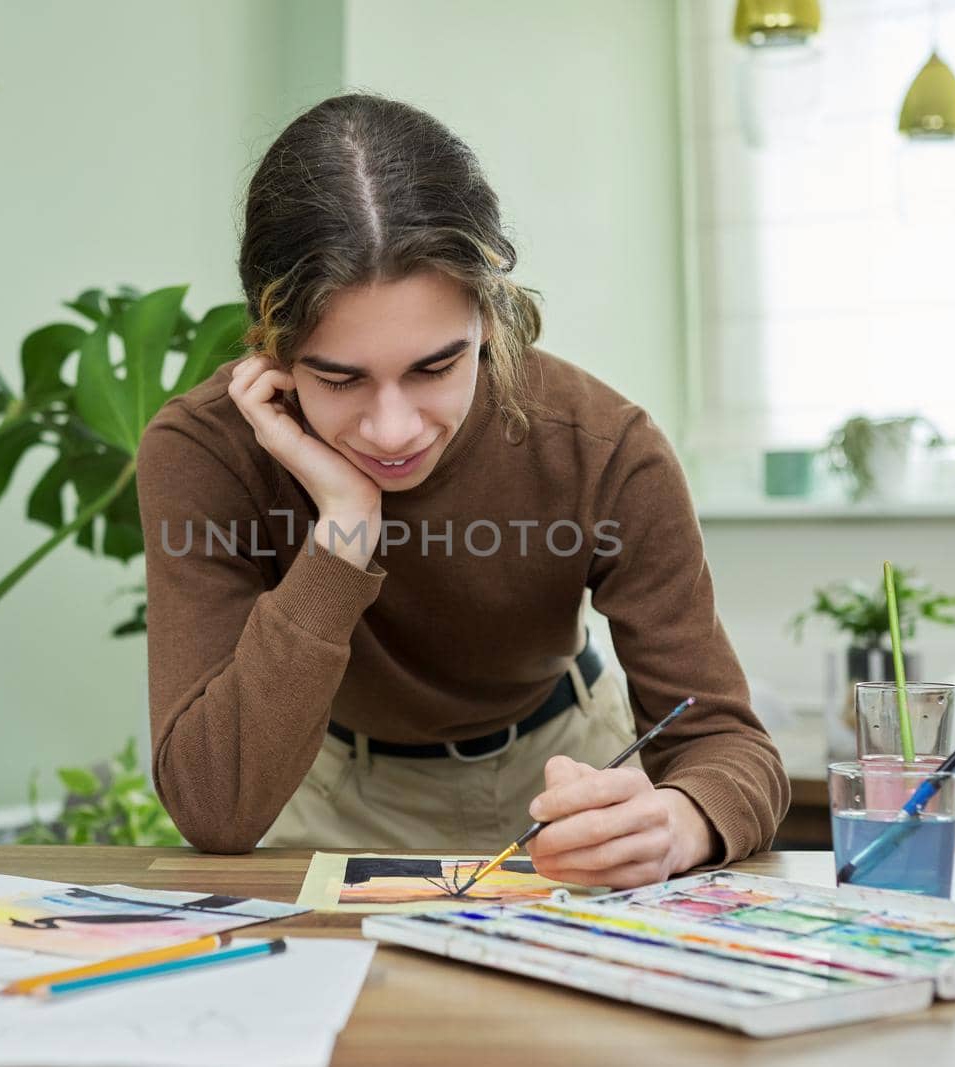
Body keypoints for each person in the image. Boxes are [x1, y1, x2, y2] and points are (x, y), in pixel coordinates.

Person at [135, 94, 787, 888]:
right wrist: (343, 528)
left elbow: (727, 744)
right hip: (332, 793)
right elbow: (213, 804)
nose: (392, 429)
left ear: (490, 313)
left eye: (435, 368)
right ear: (270, 349)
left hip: (566, 778)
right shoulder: (206, 451)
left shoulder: (605, 448)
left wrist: (680, 821)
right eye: (339, 379)